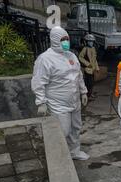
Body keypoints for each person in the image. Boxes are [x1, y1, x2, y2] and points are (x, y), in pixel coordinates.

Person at [31, 26, 90, 161]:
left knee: (76, 127)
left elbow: (78, 75)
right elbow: (38, 82)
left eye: (67, 39)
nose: (66, 42)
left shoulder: (71, 55)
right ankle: (59, 156)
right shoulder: (45, 59)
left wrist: (83, 92)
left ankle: (74, 151)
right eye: (63, 40)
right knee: (63, 131)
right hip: (58, 103)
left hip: (75, 101)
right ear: (55, 40)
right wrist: (41, 102)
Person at [79, 34, 100, 101]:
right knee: (88, 83)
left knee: (92, 83)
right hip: (87, 69)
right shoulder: (85, 49)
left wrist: (97, 68)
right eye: (89, 41)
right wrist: (87, 64)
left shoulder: (93, 49)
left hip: (92, 69)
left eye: (92, 41)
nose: (91, 43)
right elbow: (80, 57)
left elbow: (94, 59)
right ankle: (87, 95)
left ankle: (90, 94)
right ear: (86, 42)